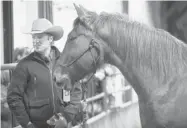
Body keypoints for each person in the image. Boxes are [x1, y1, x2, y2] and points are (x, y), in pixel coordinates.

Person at [7, 18, 64, 128]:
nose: (35, 41)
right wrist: (27, 123)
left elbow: (67, 89)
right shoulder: (24, 65)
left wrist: (66, 112)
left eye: (39, 37)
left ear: (50, 39)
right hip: (37, 125)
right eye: (33, 37)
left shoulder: (63, 62)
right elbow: (13, 96)